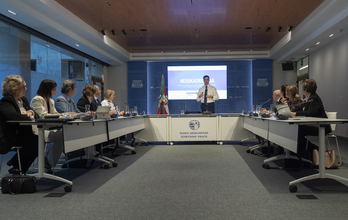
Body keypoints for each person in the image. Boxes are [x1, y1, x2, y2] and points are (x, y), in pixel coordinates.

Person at [0, 75, 38, 174]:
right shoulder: (6, 101)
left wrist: (31, 112)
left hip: (24, 134)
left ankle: (17, 167)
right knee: (35, 141)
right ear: (14, 89)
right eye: (23, 87)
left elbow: (36, 114)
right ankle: (17, 167)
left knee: (37, 140)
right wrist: (28, 116)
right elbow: (13, 116)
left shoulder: (23, 100)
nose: (25, 88)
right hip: (10, 136)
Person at [291, 79, 331, 160]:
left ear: (305, 89)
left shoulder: (314, 99)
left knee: (298, 130)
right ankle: (305, 151)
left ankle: (314, 149)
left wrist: (295, 114)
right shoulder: (309, 98)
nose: (301, 90)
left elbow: (310, 113)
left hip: (321, 126)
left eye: (302, 88)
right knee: (296, 129)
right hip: (314, 125)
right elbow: (304, 112)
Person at [30, 79, 63, 173]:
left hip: (46, 129)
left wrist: (66, 114)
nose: (56, 90)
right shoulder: (37, 99)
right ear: (48, 89)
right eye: (54, 88)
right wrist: (61, 115)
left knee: (62, 134)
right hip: (37, 130)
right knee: (60, 136)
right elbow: (43, 115)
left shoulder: (51, 101)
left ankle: (48, 162)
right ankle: (49, 163)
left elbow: (55, 114)